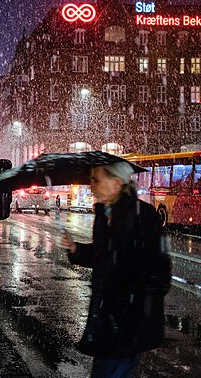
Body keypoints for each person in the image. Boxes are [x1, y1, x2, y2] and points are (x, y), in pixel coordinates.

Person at [57, 162, 171, 378]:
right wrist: (75, 248)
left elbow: (159, 275)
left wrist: (129, 303)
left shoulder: (142, 216)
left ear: (117, 183)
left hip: (128, 322)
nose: (91, 186)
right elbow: (104, 256)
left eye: (96, 180)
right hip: (109, 319)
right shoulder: (105, 214)